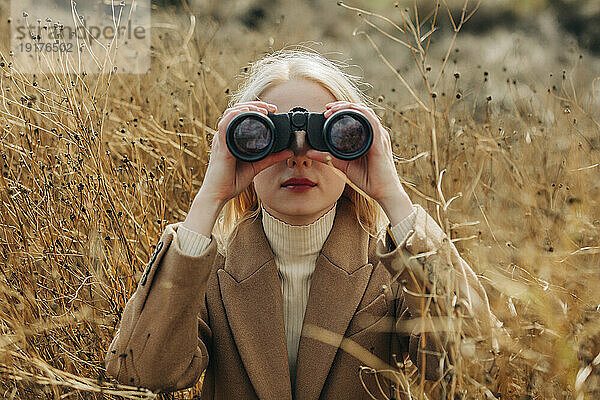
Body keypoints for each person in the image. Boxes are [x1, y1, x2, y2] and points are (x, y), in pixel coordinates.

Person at [104, 48, 495, 399]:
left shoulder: (390, 271)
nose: (299, 156)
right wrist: (210, 196)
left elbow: (473, 367)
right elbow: (142, 372)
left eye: (332, 135)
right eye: (268, 137)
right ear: (238, 149)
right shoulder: (210, 271)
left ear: (360, 143)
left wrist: (391, 194)